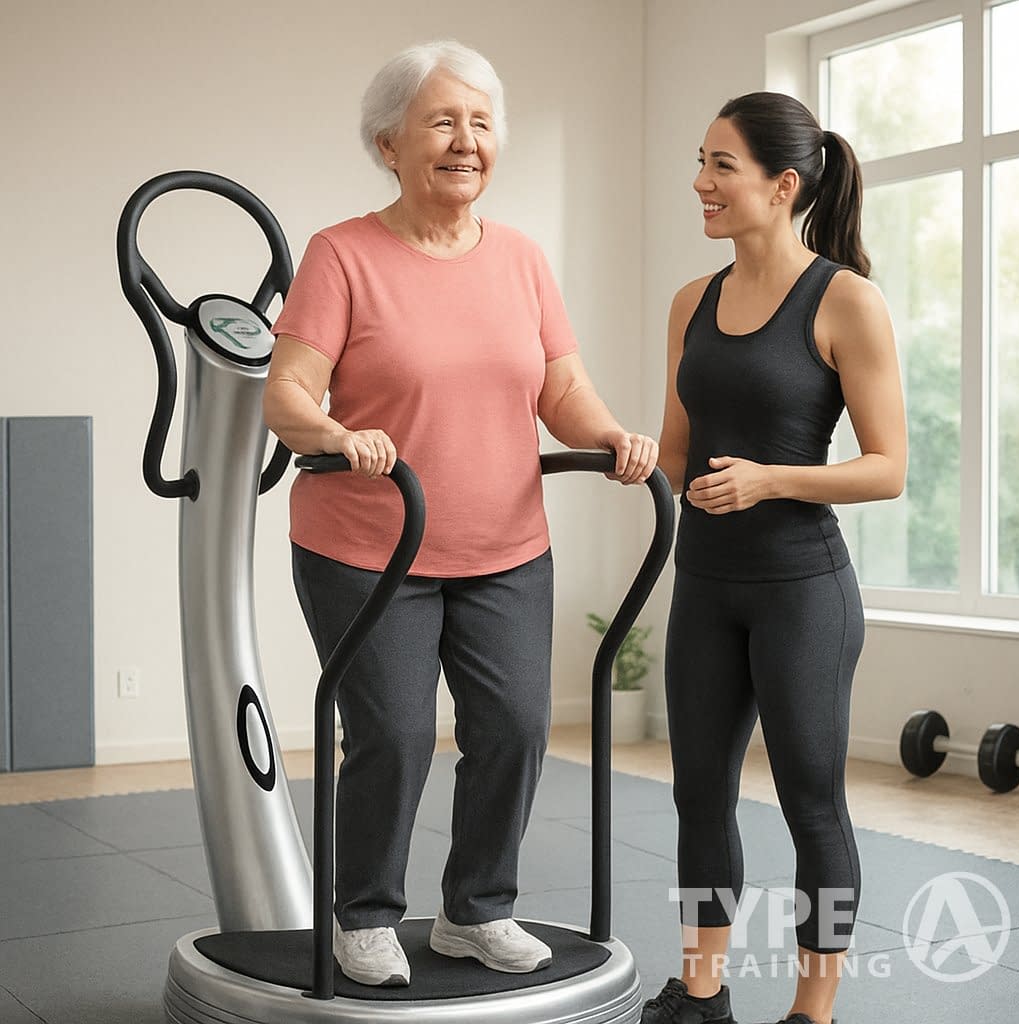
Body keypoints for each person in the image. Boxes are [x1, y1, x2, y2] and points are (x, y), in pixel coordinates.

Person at [263, 40, 658, 988]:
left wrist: (614, 437)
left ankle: (477, 911)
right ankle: (363, 914)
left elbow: (562, 389)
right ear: (388, 142)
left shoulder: (520, 258)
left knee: (518, 727)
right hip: (370, 548)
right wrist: (337, 431)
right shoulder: (342, 254)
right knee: (395, 734)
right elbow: (286, 394)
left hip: (506, 547)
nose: (465, 141)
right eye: (442, 121)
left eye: (481, 123)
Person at [643, 93, 907, 1024]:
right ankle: (702, 993)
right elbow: (674, 453)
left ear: (782, 184)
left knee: (811, 802)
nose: (700, 183)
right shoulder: (692, 301)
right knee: (698, 794)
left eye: (721, 165)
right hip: (705, 586)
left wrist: (772, 481)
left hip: (803, 592)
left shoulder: (845, 300)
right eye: (701, 161)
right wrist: (622, 454)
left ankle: (813, 1011)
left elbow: (888, 470)